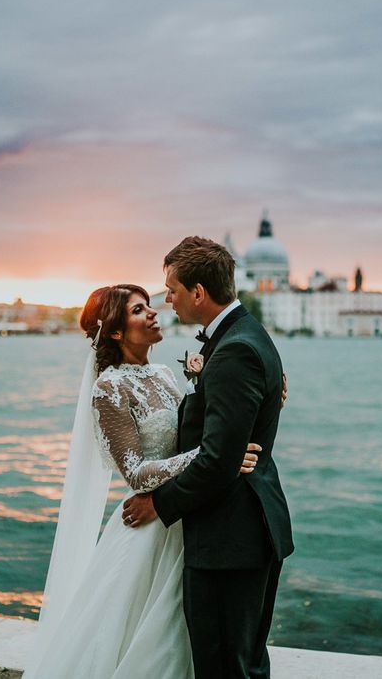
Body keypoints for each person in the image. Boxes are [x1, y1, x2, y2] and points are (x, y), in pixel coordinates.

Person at [23, 283, 262, 679]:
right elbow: (134, 472)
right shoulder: (109, 389)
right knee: (149, 631)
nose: (152, 313)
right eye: (138, 310)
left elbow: (198, 427)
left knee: (191, 631)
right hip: (149, 526)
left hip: (187, 511)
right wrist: (212, 459)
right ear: (116, 331)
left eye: (149, 306)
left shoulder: (166, 373)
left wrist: (262, 395)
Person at [123, 237, 294, 679]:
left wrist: (158, 504)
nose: (167, 300)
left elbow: (220, 460)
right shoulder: (245, 336)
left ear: (199, 293)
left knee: (224, 667)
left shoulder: (234, 350)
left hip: (229, 537)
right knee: (244, 663)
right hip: (245, 530)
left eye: (172, 290)